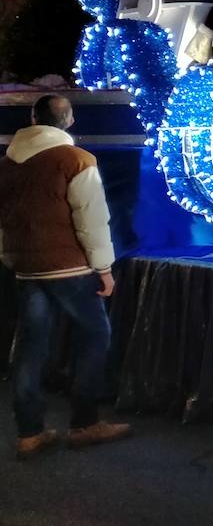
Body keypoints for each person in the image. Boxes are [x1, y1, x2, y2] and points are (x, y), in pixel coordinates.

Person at [0, 96, 130, 458]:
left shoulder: (8, 164)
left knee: (30, 346)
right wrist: (104, 268)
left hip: (26, 268)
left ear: (32, 118)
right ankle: (85, 424)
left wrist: (9, 256)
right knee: (95, 335)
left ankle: (29, 433)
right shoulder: (76, 160)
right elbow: (91, 219)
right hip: (69, 267)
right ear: (68, 120)